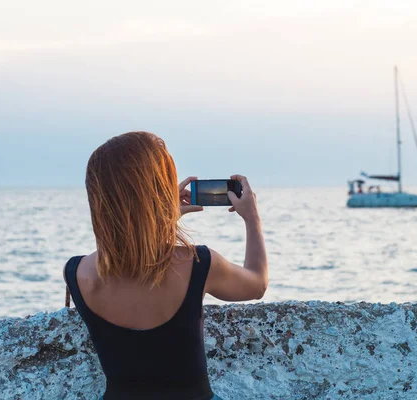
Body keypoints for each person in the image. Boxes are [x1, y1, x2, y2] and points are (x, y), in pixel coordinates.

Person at [63, 131, 268, 400]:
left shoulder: (76, 273)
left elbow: (131, 257)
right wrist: (252, 218)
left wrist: (161, 218)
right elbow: (256, 283)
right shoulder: (198, 263)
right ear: (160, 189)